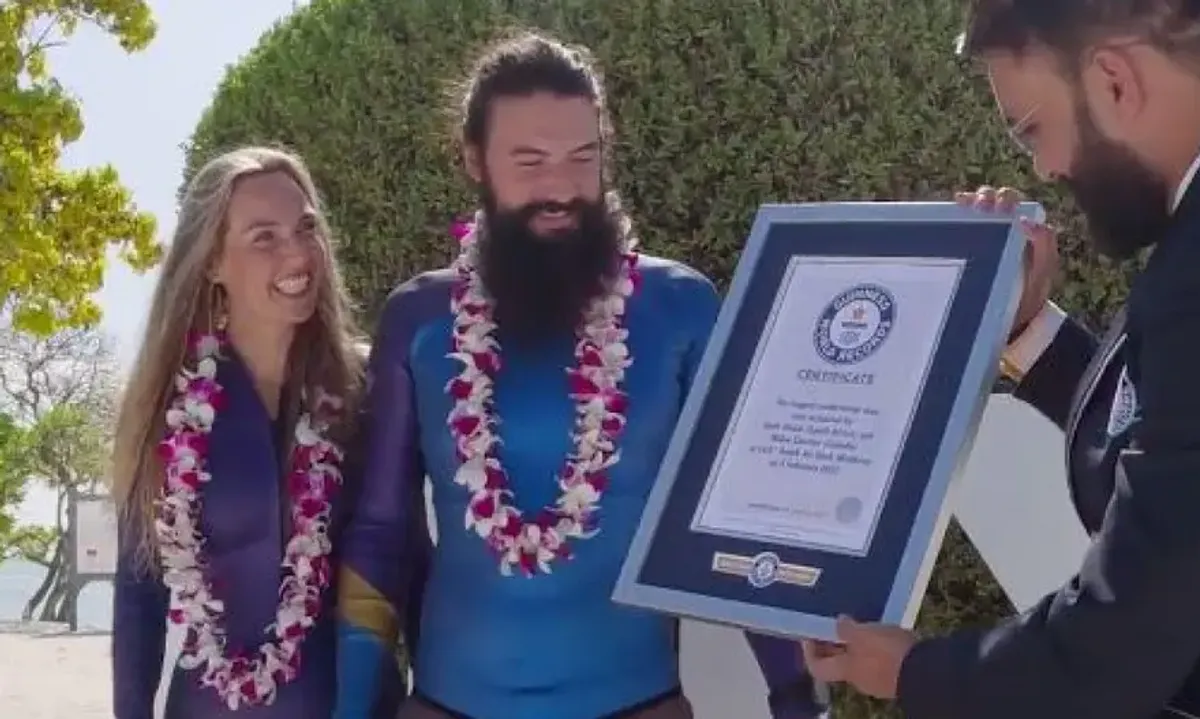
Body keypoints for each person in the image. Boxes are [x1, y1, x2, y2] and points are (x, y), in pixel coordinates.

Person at [802, 1, 1200, 717]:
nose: (1047, 167)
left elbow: (1120, 648)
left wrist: (913, 669)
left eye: (1034, 130)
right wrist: (1029, 329)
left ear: (1114, 79)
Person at [333, 32, 825, 719]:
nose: (561, 187)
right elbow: (382, 533)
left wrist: (797, 696)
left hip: (639, 705)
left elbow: (738, 521)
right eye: (529, 160)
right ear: (474, 159)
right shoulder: (418, 318)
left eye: (582, 157)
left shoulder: (679, 308)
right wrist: (350, 709)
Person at [110, 147, 400, 717]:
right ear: (212, 262)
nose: (297, 252)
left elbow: (405, 558)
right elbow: (139, 600)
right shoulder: (167, 407)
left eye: (307, 227)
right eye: (263, 236)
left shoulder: (366, 388)